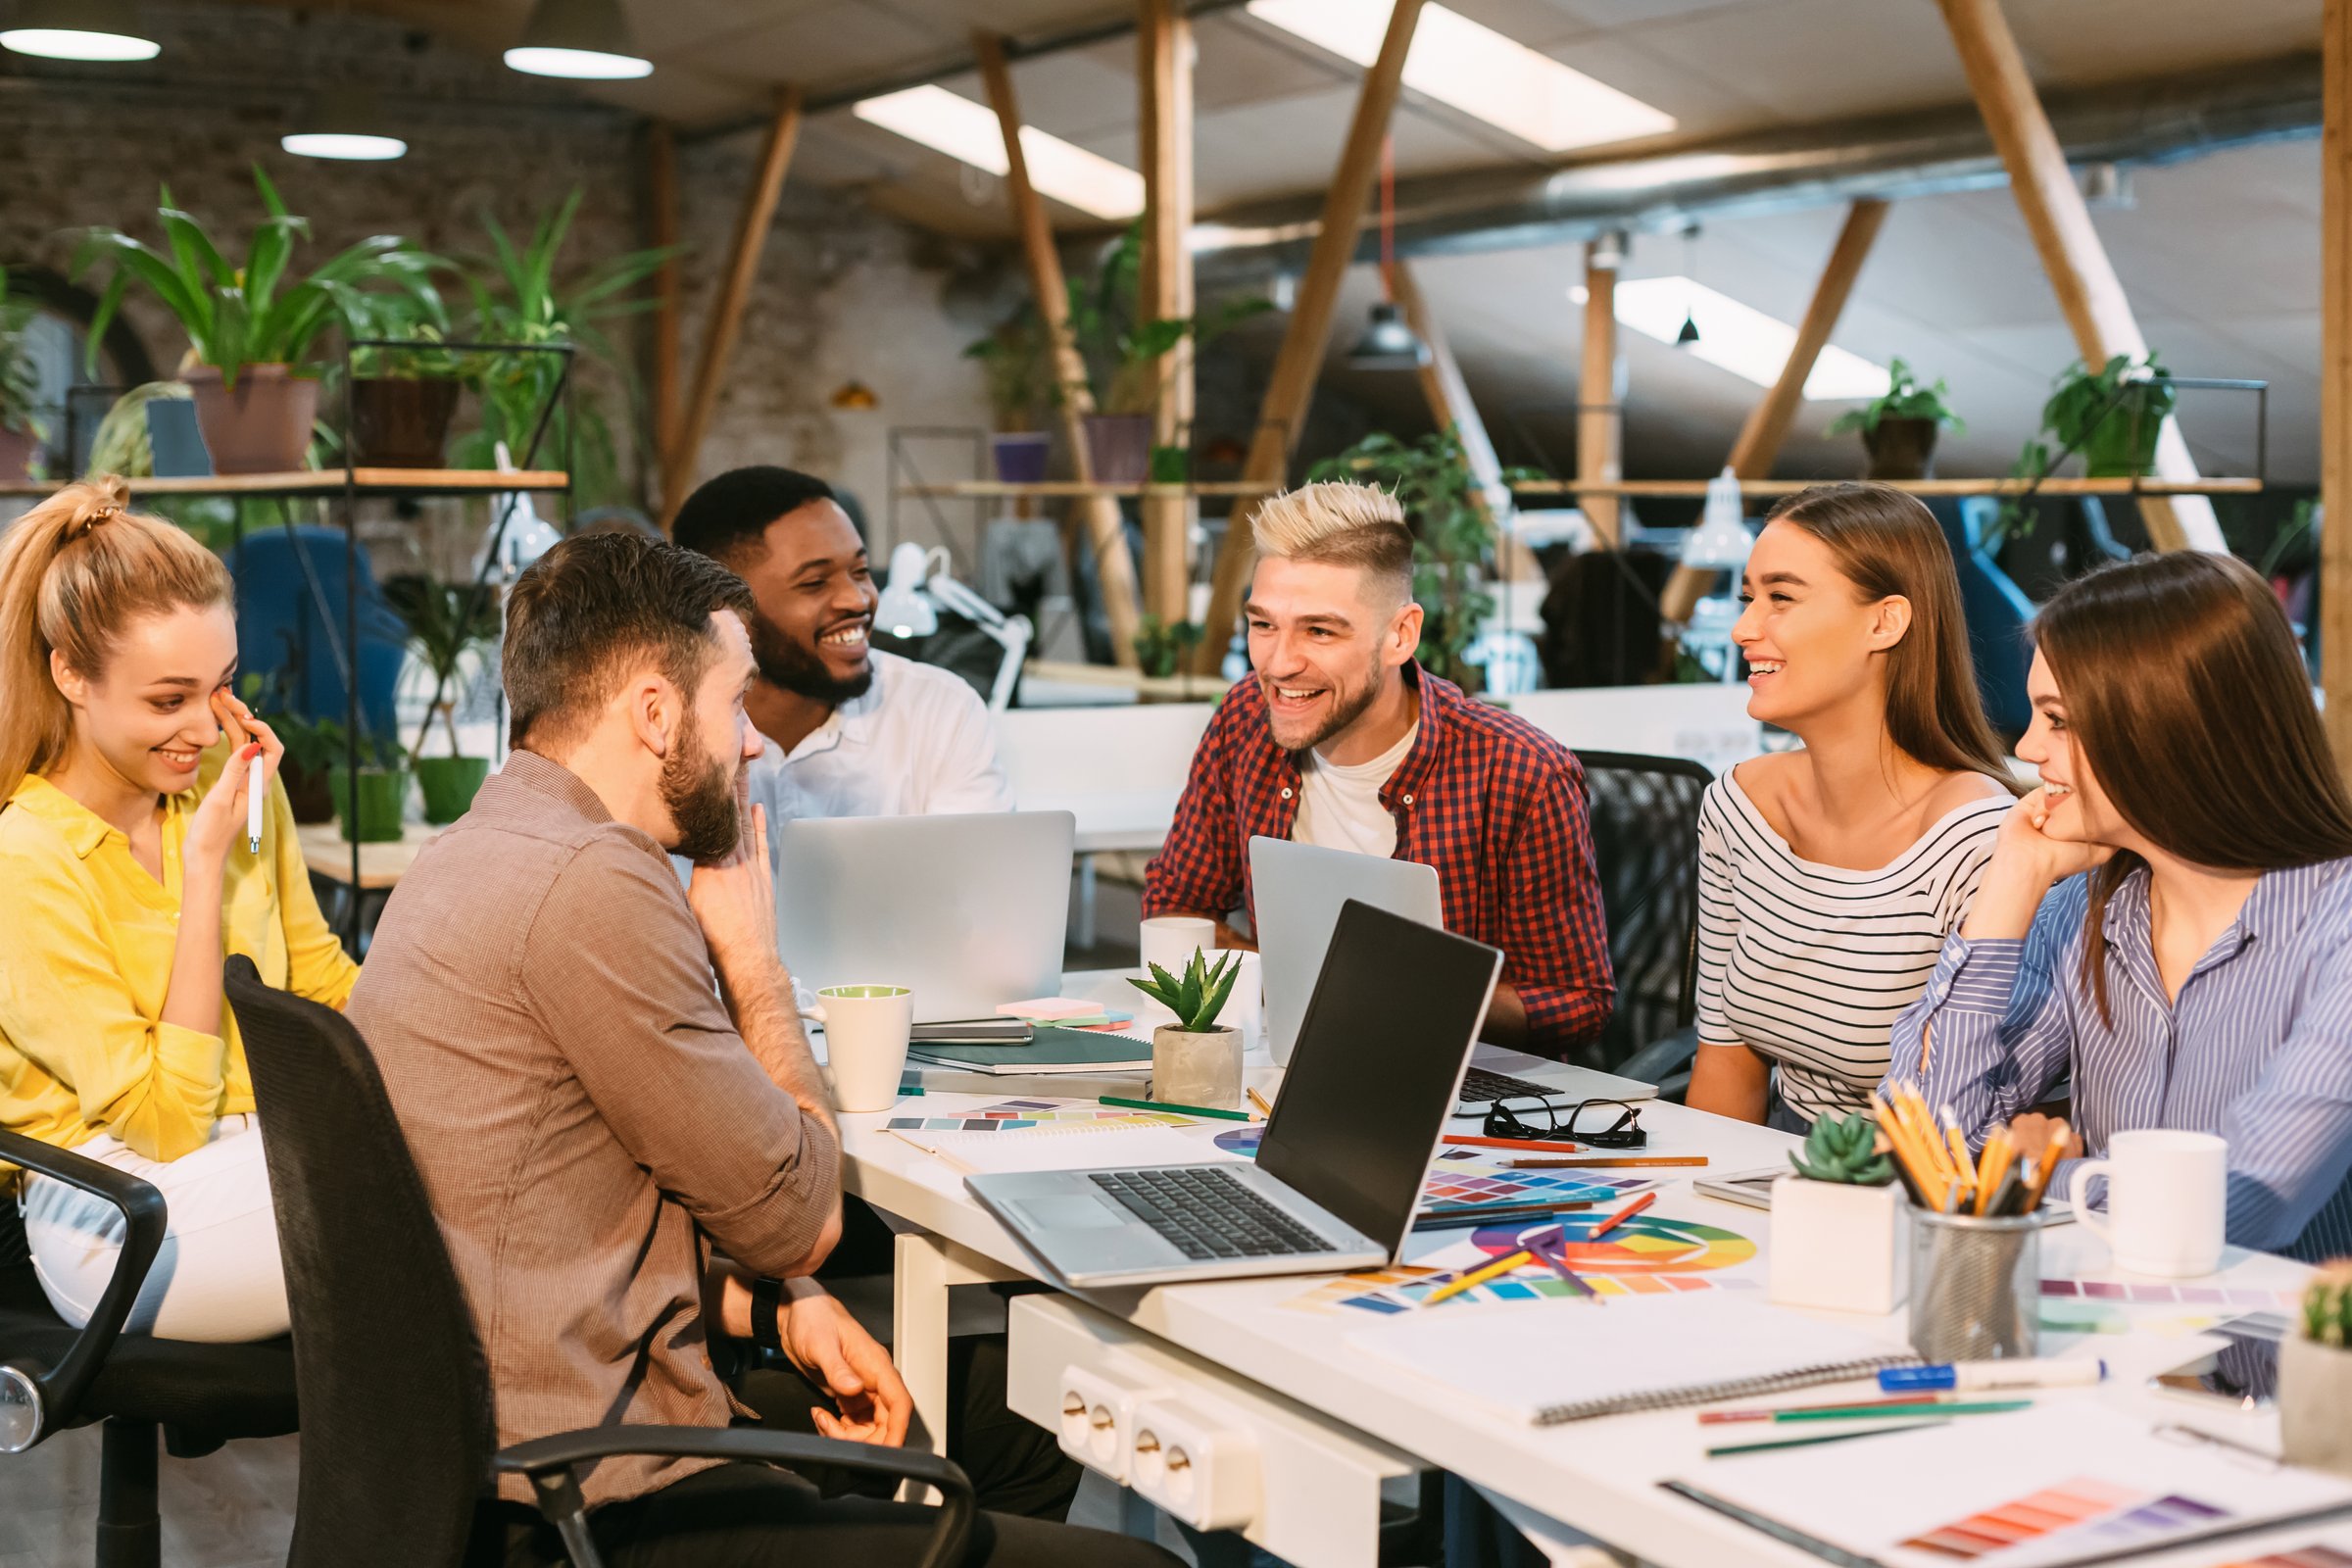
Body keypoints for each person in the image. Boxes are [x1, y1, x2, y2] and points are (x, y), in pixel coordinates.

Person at [349, 532, 1172, 1566]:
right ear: (655, 713)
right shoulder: (596, 886)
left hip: (476, 1439)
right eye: (733, 703)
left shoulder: (473, 846)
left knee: (1006, 1409)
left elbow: (557, 1206)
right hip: (593, 1491)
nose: (750, 745)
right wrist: (752, 958)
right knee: (1143, 1561)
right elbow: (800, 1217)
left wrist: (770, 1309)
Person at [1889, 551, 2352, 1262]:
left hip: (2273, 1368)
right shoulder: (2082, 908)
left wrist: (2031, 1175)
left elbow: (2240, 1207)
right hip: (2103, 1344)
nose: (2025, 747)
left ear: (2169, 726)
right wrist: (2010, 884)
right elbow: (1923, 1139)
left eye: (2060, 721)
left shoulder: (2338, 926)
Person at [0, 477, 356, 1343]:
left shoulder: (235, 798)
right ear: (72, 675)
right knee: (416, 1193)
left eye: (221, 686)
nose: (204, 727)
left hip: (256, 1157)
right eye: (168, 700)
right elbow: (163, 1126)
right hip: (115, 1214)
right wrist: (204, 877)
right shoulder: (26, 861)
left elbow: (324, 986)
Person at [1144, 481, 1612, 1056]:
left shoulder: (1520, 771)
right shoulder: (1246, 717)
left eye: (1319, 630)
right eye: (1263, 625)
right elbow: (1175, 903)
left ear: (1400, 635)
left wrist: (1410, 994)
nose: (1279, 664)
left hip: (1460, 1094)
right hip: (1292, 1061)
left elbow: (1577, 1001)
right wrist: (1302, 982)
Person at [1687, 484, 2017, 1129]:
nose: (1744, 628)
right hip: (1774, 1165)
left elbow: (1968, 1120)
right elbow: (1727, 1063)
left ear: (1884, 621)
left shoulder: (1976, 839)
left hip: (1911, 1184)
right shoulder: (1737, 805)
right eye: (1749, 598)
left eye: (1781, 598)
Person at [670, 466, 1013, 835]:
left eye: (861, 571)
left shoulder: (939, 712)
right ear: (722, 607)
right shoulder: (665, 732)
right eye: (815, 583)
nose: (858, 598)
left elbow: (979, 884)